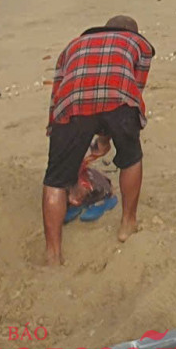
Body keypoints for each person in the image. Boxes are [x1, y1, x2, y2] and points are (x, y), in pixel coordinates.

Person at [43, 14, 153, 264]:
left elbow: (57, 92)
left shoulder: (71, 46)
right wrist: (113, 134)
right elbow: (134, 88)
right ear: (134, 33)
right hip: (119, 100)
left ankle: (53, 254)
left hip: (70, 105)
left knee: (54, 181)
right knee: (131, 159)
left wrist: (56, 131)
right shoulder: (139, 45)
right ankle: (128, 224)